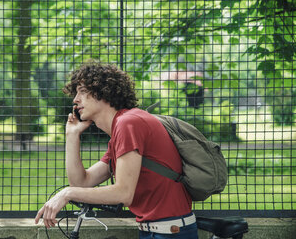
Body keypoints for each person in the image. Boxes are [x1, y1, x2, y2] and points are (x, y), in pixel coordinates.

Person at [35, 62, 198, 239]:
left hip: (170, 233)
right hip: (157, 231)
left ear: (102, 91)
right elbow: (81, 182)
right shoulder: (122, 129)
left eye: (82, 91)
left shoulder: (129, 123)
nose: (75, 99)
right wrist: (72, 135)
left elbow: (123, 194)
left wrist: (67, 193)